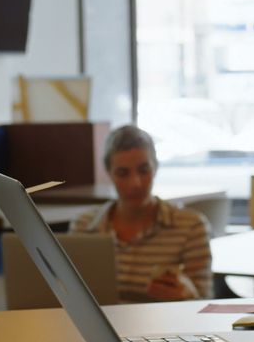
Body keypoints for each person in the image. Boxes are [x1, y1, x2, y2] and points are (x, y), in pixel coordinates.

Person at [71, 125, 213, 303]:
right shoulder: (85, 225)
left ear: (156, 168)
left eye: (144, 170)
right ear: (109, 174)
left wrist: (188, 294)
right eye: (123, 173)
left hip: (163, 327)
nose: (135, 183)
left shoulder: (190, 227)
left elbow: (204, 302)